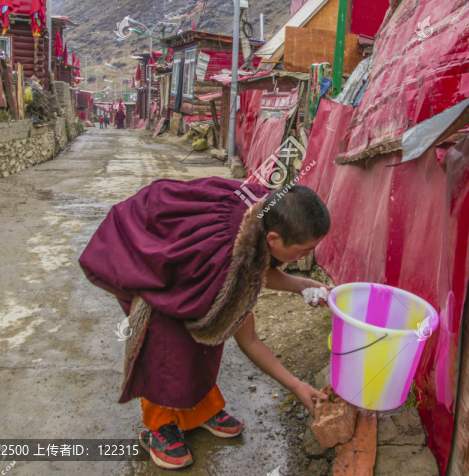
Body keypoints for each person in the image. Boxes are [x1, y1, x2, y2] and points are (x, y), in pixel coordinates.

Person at [79, 178, 331, 470]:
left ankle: (199, 409)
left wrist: (302, 285)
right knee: (166, 345)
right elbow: (248, 338)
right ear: (273, 239)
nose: (306, 256)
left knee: (205, 346)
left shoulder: (270, 209)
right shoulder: (226, 266)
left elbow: (253, 264)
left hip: (192, 252)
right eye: (303, 250)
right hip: (151, 254)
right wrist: (296, 386)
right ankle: (159, 426)